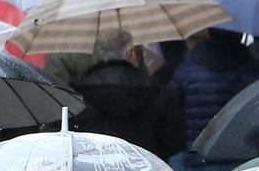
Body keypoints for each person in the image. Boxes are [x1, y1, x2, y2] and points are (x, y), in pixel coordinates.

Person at [53, 28, 185, 159]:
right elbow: (172, 142)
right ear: (130, 54)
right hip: (148, 168)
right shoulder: (157, 91)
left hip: (97, 170)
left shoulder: (77, 92)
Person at [166, 33, 259, 171]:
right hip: (244, 161)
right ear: (239, 35)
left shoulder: (188, 68)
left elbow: (170, 112)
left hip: (199, 159)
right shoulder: (254, 69)